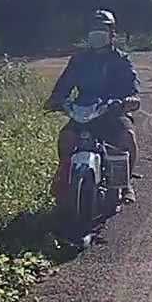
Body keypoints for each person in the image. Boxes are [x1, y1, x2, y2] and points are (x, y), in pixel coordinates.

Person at [47, 10, 140, 203]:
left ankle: (126, 184)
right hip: (84, 111)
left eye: (102, 28)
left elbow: (132, 88)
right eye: (94, 28)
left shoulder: (121, 60)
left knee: (127, 138)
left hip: (113, 112)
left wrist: (130, 99)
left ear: (112, 33)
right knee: (66, 137)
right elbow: (64, 85)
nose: (97, 32)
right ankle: (63, 174)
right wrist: (56, 100)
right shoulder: (79, 60)